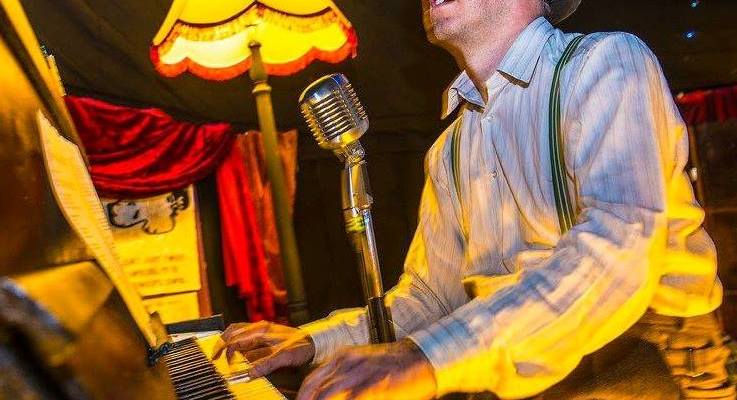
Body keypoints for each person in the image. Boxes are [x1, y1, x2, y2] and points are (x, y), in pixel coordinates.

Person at [214, 0, 734, 399]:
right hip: (519, 362)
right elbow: (428, 299)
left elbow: (614, 251)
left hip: (652, 353)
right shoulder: (449, 150)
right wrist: (312, 342)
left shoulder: (606, 62)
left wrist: (425, 358)